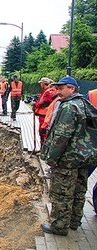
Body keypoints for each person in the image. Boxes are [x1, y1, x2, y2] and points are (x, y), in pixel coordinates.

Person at [40, 76, 97, 236]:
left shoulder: (68, 107)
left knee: (62, 194)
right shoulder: (83, 104)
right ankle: (74, 222)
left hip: (67, 160)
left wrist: (52, 159)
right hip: (82, 158)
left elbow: (61, 136)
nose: (58, 91)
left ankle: (59, 226)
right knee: (79, 191)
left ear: (72, 88)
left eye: (61, 88)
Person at [32, 77, 54, 145]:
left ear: (43, 83)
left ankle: (43, 148)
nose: (40, 85)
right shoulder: (46, 91)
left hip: (44, 114)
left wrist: (35, 104)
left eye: (41, 83)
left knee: (43, 131)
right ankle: (42, 147)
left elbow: (44, 102)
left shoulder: (47, 92)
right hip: (43, 114)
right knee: (42, 131)